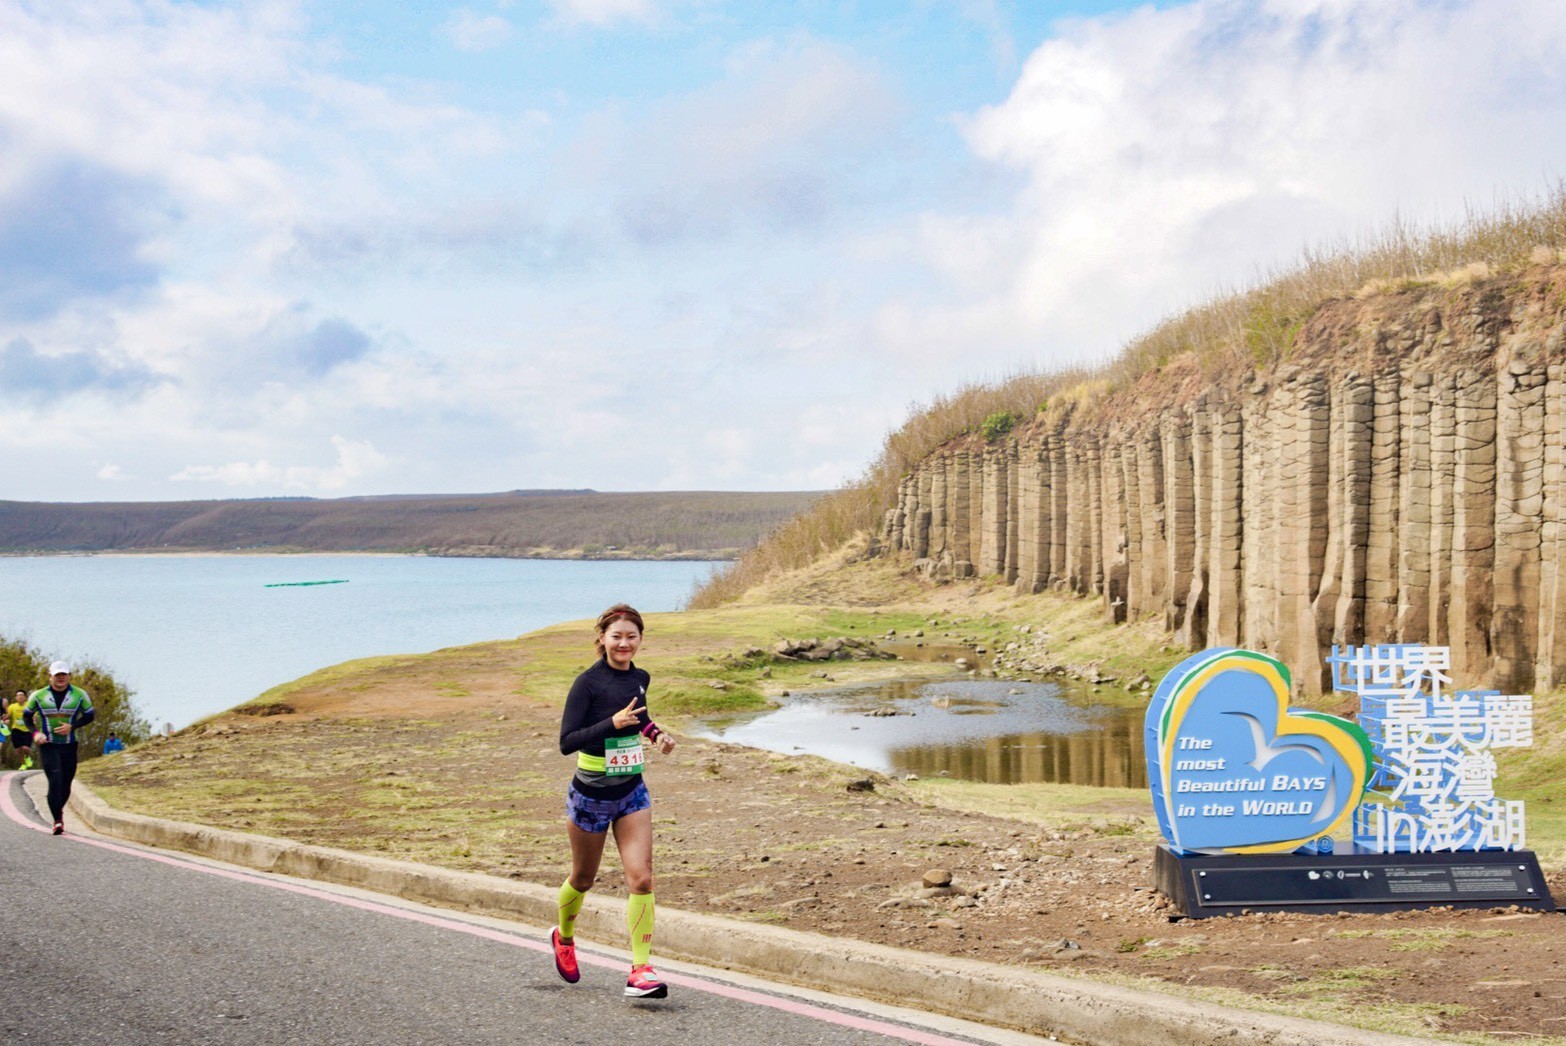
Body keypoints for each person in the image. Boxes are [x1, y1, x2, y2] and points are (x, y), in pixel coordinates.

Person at [552, 604, 676, 999]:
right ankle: (565, 937)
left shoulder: (640, 677)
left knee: (641, 877)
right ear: (602, 638)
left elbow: (641, 717)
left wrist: (657, 735)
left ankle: (641, 969)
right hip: (591, 795)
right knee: (583, 878)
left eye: (632, 636)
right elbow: (567, 742)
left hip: (631, 793)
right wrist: (611, 725)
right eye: (617, 636)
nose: (624, 643)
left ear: (640, 640)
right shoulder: (586, 684)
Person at [23, 661, 94, 835]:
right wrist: (35, 734)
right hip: (48, 745)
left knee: (65, 783)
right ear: (50, 676)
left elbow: (89, 716)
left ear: (69, 676)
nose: (61, 678)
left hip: (70, 744)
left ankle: (57, 810)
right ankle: (57, 821)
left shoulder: (80, 695)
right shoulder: (38, 696)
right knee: (55, 780)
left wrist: (73, 726)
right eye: (57, 675)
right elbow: (27, 716)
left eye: (64, 674)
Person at [7, 690, 32, 770]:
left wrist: (34, 719)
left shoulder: (29, 705)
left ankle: (28, 758)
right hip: (16, 729)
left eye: (22, 695)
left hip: (27, 729)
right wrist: (6, 720)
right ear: (16, 698)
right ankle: (23, 764)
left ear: (25, 697)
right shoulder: (12, 706)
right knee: (18, 749)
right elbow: (7, 716)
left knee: (26, 748)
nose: (20, 697)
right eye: (18, 695)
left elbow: (34, 714)